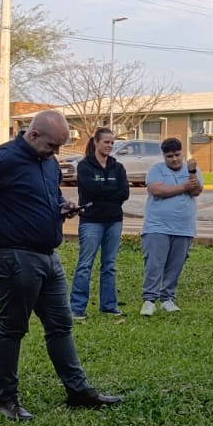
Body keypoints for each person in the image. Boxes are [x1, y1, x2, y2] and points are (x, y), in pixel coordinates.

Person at [0, 109, 123, 420]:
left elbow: (49, 197)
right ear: (33, 135)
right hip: (15, 256)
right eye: (52, 146)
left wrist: (63, 206)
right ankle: (6, 400)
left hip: (48, 256)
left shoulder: (48, 163)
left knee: (61, 324)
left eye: (59, 147)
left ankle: (78, 390)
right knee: (13, 328)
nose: (55, 153)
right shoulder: (3, 160)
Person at [69, 127, 130, 320]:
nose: (109, 146)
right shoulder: (84, 166)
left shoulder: (118, 168)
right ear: (96, 142)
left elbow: (124, 193)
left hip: (114, 221)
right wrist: (111, 191)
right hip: (91, 222)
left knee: (109, 265)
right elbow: (91, 190)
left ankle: (109, 306)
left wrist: (104, 192)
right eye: (106, 142)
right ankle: (77, 308)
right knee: (85, 265)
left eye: (112, 143)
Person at [142, 137, 201, 314]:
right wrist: (184, 186)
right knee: (154, 264)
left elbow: (196, 191)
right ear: (163, 156)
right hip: (157, 226)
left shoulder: (192, 170)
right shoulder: (156, 169)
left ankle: (167, 298)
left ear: (182, 153)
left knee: (176, 265)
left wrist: (192, 173)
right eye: (169, 156)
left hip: (184, 227)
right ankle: (149, 300)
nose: (174, 159)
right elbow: (157, 190)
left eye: (177, 155)